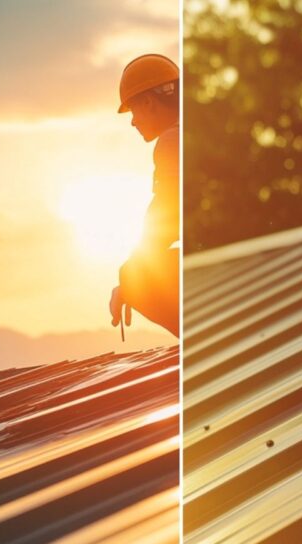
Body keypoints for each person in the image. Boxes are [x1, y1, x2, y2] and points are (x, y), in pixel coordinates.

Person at [109, 54, 180, 338]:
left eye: (133, 110)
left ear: (149, 102)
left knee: (134, 275)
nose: (133, 122)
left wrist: (130, 280)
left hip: (218, 270)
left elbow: (166, 217)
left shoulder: (172, 141)